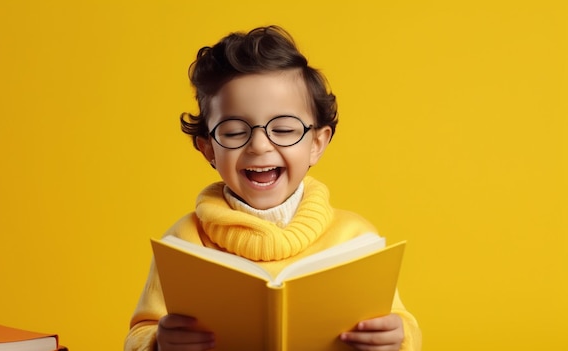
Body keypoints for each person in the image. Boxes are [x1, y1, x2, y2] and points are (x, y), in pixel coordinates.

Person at [125, 25, 421, 351]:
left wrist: (397, 339)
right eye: (235, 131)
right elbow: (140, 333)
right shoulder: (184, 242)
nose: (259, 146)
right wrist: (157, 342)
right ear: (208, 148)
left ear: (317, 144)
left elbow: (398, 322)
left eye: (282, 129)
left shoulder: (355, 238)